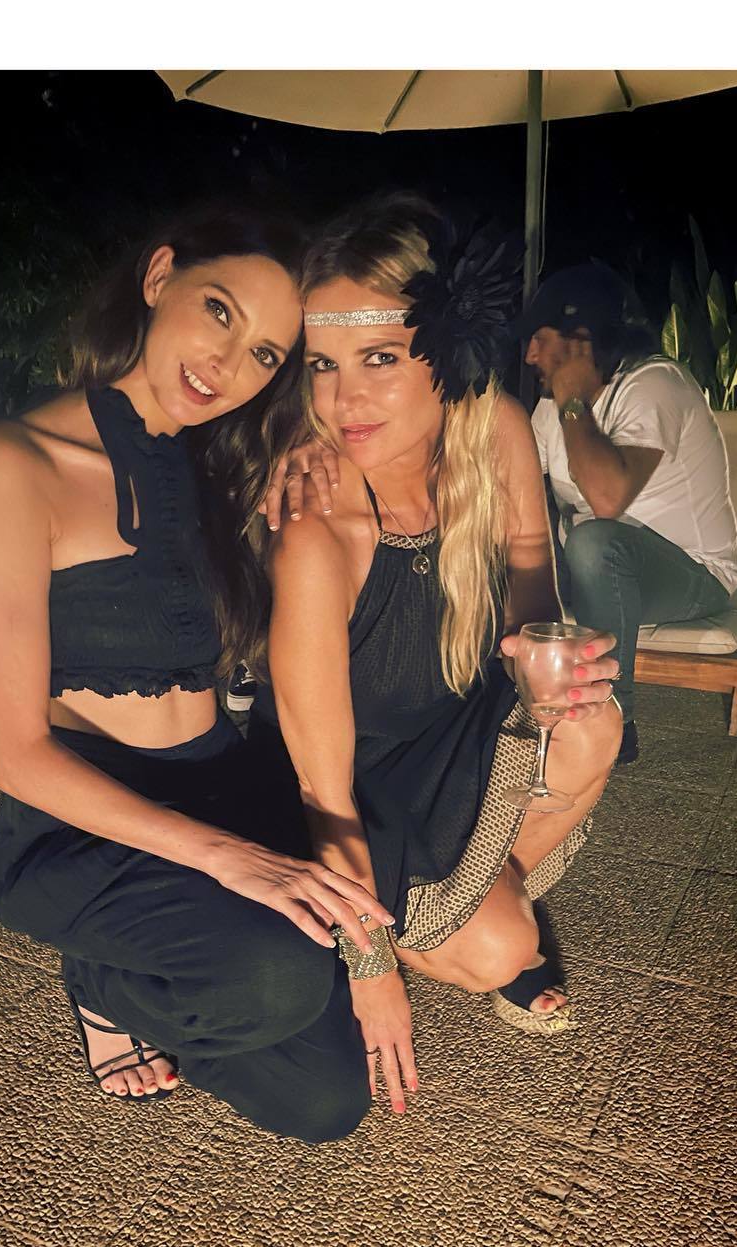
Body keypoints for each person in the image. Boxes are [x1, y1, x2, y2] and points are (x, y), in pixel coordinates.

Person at [0, 206, 395, 1145]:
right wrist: (230, 859)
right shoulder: (10, 460)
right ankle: (100, 982)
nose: (228, 365)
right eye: (220, 311)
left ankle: (174, 972)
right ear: (159, 278)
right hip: (81, 828)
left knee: (326, 1104)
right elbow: (15, 754)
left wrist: (310, 444)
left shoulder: (225, 466)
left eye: (267, 354)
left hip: (220, 779)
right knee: (276, 976)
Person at [250, 197, 623, 1114]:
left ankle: (471, 898)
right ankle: (454, 922)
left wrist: (540, 658)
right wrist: (372, 971)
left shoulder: (494, 428)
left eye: (380, 358)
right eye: (324, 365)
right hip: (360, 787)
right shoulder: (318, 530)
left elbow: (530, 569)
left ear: (448, 351)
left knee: (592, 721)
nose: (344, 400)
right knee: (504, 949)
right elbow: (323, 789)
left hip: (455, 727)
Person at [518, 261, 737, 764]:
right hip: (594, 571)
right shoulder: (552, 406)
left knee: (595, 542)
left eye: (540, 339)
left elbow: (607, 499)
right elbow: (509, 480)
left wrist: (572, 401)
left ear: (581, 341)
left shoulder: (655, 384)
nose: (529, 354)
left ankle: (614, 723)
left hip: (693, 573)